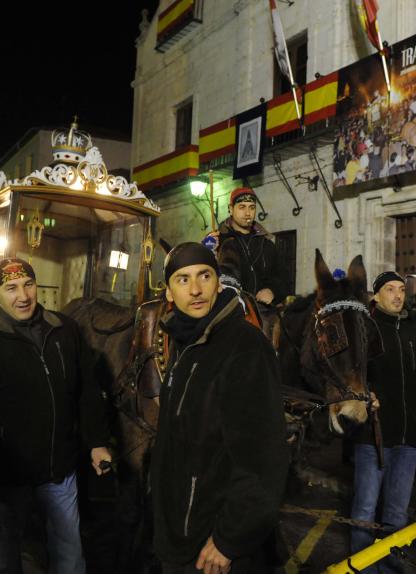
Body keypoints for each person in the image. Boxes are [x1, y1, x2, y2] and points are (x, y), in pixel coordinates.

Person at [0, 258, 112, 574]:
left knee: (70, 558)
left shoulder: (65, 331)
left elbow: (86, 391)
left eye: (28, 285)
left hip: (59, 472)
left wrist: (97, 442)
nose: (23, 296)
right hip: (6, 481)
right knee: (3, 562)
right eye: (11, 288)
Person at [151, 242, 288, 574]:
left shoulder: (246, 346)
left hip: (215, 546)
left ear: (218, 282)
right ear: (169, 293)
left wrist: (230, 538)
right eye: (182, 280)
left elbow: (263, 457)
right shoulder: (185, 341)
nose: (196, 290)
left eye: (204, 276)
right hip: (180, 533)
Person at [350, 271, 416, 573]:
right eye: (389, 289)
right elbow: (348, 377)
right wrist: (364, 395)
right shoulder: (364, 330)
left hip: (410, 437)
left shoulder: (415, 332)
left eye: (401, 289)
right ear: (375, 296)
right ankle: (361, 569)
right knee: (365, 509)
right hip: (372, 436)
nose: (397, 295)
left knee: (397, 513)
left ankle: (390, 569)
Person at [207, 187, 287, 306]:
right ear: (231, 209)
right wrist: (206, 251)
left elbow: (284, 278)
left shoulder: (267, 245)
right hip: (229, 312)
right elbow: (203, 277)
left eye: (252, 207)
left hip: (262, 313)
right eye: (242, 207)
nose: (248, 213)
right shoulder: (217, 241)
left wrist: (272, 291)